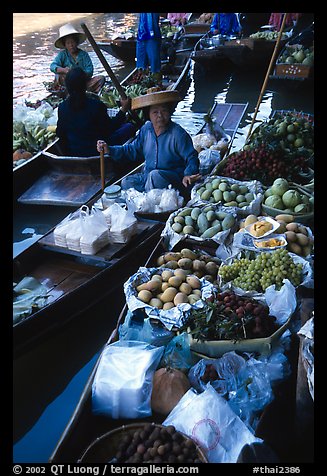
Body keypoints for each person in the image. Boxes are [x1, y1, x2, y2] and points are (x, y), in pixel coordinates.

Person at [97, 90, 200, 200]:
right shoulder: (146, 130)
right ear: (149, 115)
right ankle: (145, 201)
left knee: (155, 176)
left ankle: (150, 203)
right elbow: (132, 150)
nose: (160, 115)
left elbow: (191, 157)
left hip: (172, 179)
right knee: (127, 182)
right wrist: (109, 149)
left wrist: (188, 174)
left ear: (169, 112)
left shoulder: (178, 134)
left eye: (164, 111)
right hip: (148, 176)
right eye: (155, 112)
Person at [56, 67, 136, 157]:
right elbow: (109, 129)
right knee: (129, 127)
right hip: (98, 151)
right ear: (85, 85)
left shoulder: (62, 107)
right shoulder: (96, 106)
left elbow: (60, 133)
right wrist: (123, 110)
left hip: (74, 152)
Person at [50, 23, 105, 94]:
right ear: (65, 45)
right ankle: (67, 92)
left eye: (73, 42)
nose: (71, 45)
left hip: (83, 84)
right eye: (68, 43)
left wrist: (78, 74)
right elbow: (53, 66)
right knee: (58, 75)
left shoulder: (84, 55)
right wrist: (64, 70)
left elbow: (90, 71)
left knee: (101, 78)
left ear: (77, 42)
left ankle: (85, 92)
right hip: (68, 85)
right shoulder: (62, 55)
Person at [136, 13, 162, 79]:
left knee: (154, 61)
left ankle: (157, 81)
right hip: (141, 35)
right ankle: (142, 80)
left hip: (152, 36)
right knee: (141, 64)